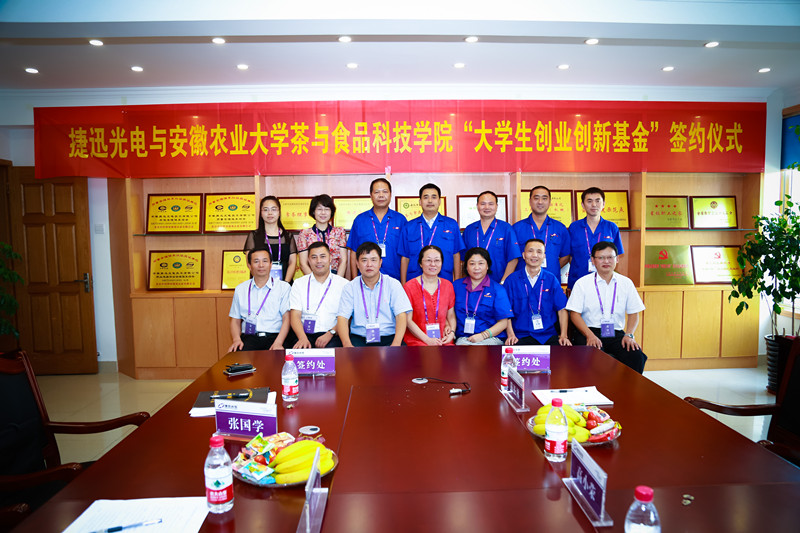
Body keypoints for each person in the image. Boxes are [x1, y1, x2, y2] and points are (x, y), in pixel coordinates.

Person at [565, 241, 647, 373]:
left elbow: (634, 312)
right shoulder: (582, 283)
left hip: (616, 333)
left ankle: (627, 386)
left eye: (610, 257)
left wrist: (629, 335)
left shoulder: (626, 283)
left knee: (635, 356)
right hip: (588, 332)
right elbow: (574, 314)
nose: (606, 261)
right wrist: (590, 335)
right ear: (593, 260)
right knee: (596, 357)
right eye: (601, 257)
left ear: (617, 259)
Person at [337, 241, 412, 347]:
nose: (369, 265)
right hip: (359, 339)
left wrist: (396, 343)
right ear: (357, 264)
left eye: (373, 260)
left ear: (380, 262)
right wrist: (347, 345)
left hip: (388, 338)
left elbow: (401, 315)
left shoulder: (393, 284)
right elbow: (342, 318)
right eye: (364, 260)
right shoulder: (350, 287)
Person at [504, 239, 571, 346]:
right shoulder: (511, 280)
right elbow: (505, 311)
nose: (534, 255)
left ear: (544, 256)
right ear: (524, 255)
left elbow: (562, 309)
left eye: (539, 252)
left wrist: (563, 336)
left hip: (548, 335)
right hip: (520, 335)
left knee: (562, 353)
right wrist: (510, 335)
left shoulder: (551, 279)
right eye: (530, 251)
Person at [227, 247, 292, 352]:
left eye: (265, 261)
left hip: (275, 337)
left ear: (271, 264)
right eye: (256, 261)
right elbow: (235, 319)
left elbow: (287, 318)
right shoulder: (241, 289)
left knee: (278, 360)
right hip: (249, 338)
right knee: (238, 359)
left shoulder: (284, 287)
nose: (261, 265)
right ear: (249, 265)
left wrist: (278, 342)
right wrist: (236, 339)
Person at [398, 183, 464, 283]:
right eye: (426, 197)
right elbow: (405, 258)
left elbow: (456, 255)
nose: (430, 201)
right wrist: (403, 285)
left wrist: (457, 283)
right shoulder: (409, 226)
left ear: (439, 201)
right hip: (415, 281)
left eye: (434, 197)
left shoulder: (451, 225)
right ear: (420, 202)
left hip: (444, 280)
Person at [289, 242, 349, 349]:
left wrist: (331, 333)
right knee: (300, 351)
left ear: (330, 258)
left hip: (333, 334)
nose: (318, 261)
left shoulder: (344, 284)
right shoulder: (299, 283)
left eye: (323, 256)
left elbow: (346, 317)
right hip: (304, 334)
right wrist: (302, 338)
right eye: (314, 257)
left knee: (332, 351)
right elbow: (295, 315)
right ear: (308, 260)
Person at [346, 178, 407, 280]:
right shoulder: (360, 220)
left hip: (394, 279)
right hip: (365, 280)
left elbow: (405, 255)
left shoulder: (400, 220)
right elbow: (353, 252)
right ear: (371, 195)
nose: (381, 195)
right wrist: (355, 281)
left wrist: (403, 283)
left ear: (390, 194)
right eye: (377, 192)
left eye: (385, 191)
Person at [566, 187, 624, 290]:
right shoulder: (574, 227)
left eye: (597, 201)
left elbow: (616, 256)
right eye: (589, 201)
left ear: (603, 204)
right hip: (578, 281)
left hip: (605, 282)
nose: (594, 205)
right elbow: (569, 256)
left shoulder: (611, 227)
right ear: (583, 205)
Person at [453, 247, 513, 346]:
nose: (476, 268)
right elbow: (449, 313)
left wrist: (483, 335)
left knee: (478, 352)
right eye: (472, 264)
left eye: (481, 263)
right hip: (464, 338)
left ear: (487, 266)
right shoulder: (456, 286)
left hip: (491, 337)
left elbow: (503, 322)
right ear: (466, 266)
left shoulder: (497, 289)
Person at [512, 185, 570, 282]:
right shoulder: (517, 228)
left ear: (549, 202)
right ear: (530, 201)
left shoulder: (560, 228)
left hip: (551, 281)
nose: (540, 202)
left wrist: (552, 268)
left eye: (544, 198)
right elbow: (513, 257)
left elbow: (566, 255)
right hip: (523, 281)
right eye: (536, 198)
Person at [462, 191, 520, 284]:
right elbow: (463, 260)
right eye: (483, 204)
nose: (487, 207)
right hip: (473, 284)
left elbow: (513, 259)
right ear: (477, 206)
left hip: (498, 283)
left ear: (496, 206)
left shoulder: (506, 229)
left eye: (491, 204)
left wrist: (503, 282)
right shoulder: (469, 229)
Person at [403, 245, 456, 346]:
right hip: (417, 340)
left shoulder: (448, 286)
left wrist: (452, 333)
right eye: (428, 260)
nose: (433, 264)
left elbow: (451, 316)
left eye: (437, 260)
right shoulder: (409, 287)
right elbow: (408, 320)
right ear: (420, 263)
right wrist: (427, 340)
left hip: (443, 339)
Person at [243, 195, 297, 283]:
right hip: (261, 285)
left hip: (285, 284)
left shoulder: (288, 236)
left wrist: (285, 284)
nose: (270, 213)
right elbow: (250, 263)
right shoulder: (254, 236)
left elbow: (292, 263)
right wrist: (263, 283)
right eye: (266, 210)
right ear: (261, 213)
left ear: (279, 212)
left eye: (274, 209)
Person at [296, 194, 348, 278]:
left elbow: (343, 261)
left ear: (331, 212)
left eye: (327, 209)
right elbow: (303, 263)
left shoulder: (339, 232)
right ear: (313, 211)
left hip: (335, 275)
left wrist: (337, 281)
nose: (323, 213)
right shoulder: (305, 234)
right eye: (319, 209)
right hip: (312, 276)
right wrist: (314, 281)